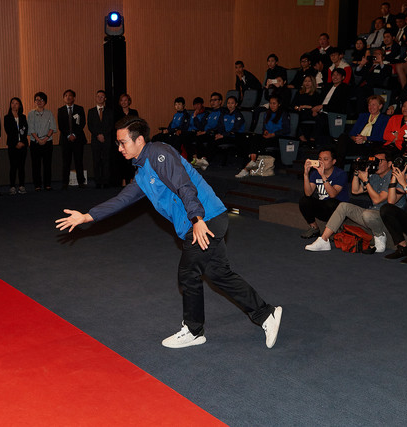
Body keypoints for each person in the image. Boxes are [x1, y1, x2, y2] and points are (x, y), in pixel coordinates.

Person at [55, 116, 282, 349]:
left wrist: (197, 218)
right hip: (201, 222)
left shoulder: (158, 153)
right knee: (219, 274)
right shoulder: (143, 172)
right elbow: (122, 200)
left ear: (140, 140)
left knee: (188, 272)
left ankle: (194, 331)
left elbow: (183, 183)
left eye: (123, 142)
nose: (120, 148)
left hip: (206, 219)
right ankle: (267, 314)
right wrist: (87, 216)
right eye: (118, 144)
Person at [305, 149, 402, 253]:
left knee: (368, 215)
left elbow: (377, 199)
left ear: (389, 163)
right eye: (375, 160)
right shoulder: (374, 176)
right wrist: (356, 173)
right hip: (372, 213)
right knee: (343, 206)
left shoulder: (394, 176)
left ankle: (380, 236)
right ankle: (324, 240)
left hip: (388, 218)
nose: (376, 163)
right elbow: (355, 191)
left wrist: (365, 181)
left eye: (380, 161)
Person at [299, 148, 349, 239]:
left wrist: (323, 175)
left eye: (325, 159)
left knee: (331, 202)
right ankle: (314, 228)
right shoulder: (315, 173)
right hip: (323, 207)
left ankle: (336, 227)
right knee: (304, 200)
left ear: (333, 161)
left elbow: (333, 195)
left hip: (339, 210)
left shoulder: (341, 174)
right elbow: (308, 193)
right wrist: (306, 174)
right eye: (320, 159)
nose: (321, 162)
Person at [235, 95, 290, 178]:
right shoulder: (267, 114)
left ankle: (246, 168)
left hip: (278, 137)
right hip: (268, 136)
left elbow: (286, 129)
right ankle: (252, 162)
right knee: (254, 137)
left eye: (274, 103)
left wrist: (273, 134)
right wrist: (265, 131)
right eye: (270, 103)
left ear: (279, 104)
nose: (272, 105)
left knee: (257, 144)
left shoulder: (284, 114)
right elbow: (264, 127)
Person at [336, 95, 390, 167]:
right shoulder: (363, 116)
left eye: (373, 105)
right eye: (369, 105)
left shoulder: (385, 119)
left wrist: (365, 138)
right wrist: (355, 138)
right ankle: (338, 167)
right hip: (357, 143)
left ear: (380, 106)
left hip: (370, 145)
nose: (371, 107)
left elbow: (382, 137)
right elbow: (352, 133)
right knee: (343, 137)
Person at [58, 89, 87, 189]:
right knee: (66, 162)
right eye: (66, 95)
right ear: (63, 98)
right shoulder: (60, 110)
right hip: (65, 140)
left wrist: (74, 134)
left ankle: (81, 182)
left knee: (78, 161)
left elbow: (82, 123)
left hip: (78, 139)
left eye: (70, 95)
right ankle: (65, 182)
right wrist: (68, 135)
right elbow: (60, 126)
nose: (68, 97)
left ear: (74, 98)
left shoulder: (80, 109)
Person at [27, 92, 56, 191]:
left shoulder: (49, 113)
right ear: (35, 101)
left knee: (47, 164)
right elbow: (31, 129)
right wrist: (38, 139)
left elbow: (52, 127)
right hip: (35, 142)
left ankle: (47, 184)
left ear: (45, 102)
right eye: (37, 100)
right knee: (36, 165)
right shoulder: (31, 113)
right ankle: (37, 185)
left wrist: (45, 139)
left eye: (41, 100)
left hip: (47, 142)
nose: (39, 102)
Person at [87, 90, 114, 189]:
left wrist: (104, 135)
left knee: (106, 161)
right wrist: (98, 135)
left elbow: (111, 125)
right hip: (95, 139)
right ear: (95, 98)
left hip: (107, 139)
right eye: (98, 96)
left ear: (105, 99)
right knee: (96, 161)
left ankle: (106, 181)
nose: (100, 98)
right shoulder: (91, 111)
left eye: (102, 97)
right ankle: (98, 181)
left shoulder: (110, 111)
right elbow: (90, 125)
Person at [4, 97, 29, 195]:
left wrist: (22, 142)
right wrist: (16, 143)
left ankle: (22, 186)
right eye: (12, 103)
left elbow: (25, 130)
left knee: (21, 166)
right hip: (12, 146)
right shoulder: (7, 117)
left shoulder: (23, 117)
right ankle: (12, 186)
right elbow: (9, 131)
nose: (14, 105)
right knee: (13, 166)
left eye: (16, 103)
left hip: (23, 145)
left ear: (20, 105)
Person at [114, 93, 138, 187]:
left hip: (131, 140)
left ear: (129, 101)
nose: (124, 102)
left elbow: (137, 125)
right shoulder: (116, 113)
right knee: (122, 160)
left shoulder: (134, 112)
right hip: (121, 141)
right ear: (120, 102)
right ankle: (123, 180)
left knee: (132, 160)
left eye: (125, 100)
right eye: (122, 100)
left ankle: (132, 179)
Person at [293, 75, 323, 145]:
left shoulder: (316, 94)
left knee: (320, 118)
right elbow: (294, 105)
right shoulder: (299, 93)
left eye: (309, 81)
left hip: (310, 112)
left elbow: (316, 106)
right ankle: (301, 135)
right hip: (300, 112)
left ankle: (313, 137)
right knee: (293, 117)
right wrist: (298, 107)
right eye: (305, 81)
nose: (307, 83)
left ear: (312, 83)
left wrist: (305, 106)